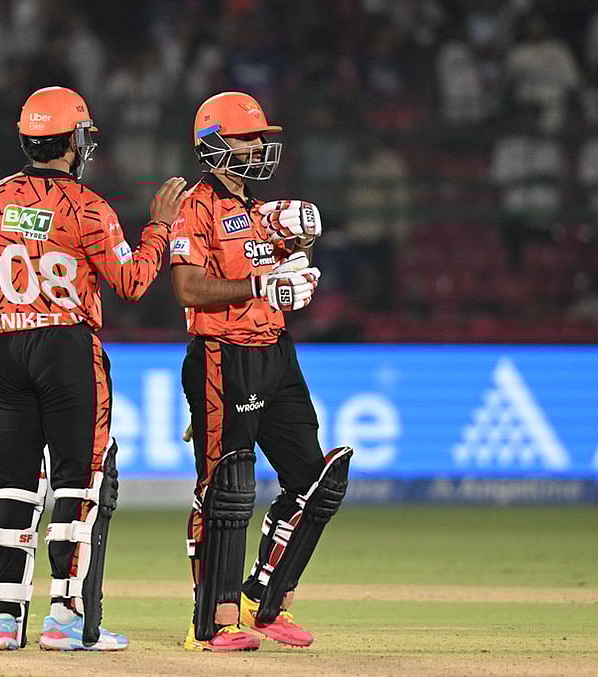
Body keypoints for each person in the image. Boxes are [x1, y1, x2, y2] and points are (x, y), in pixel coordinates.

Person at [0, 86, 187, 652]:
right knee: (78, 482)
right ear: (74, 141)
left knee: (8, 485)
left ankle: (0, 621)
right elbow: (132, 282)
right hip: (68, 351)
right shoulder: (89, 209)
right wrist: (159, 228)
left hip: (7, 350)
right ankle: (65, 619)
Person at [169, 91, 353, 652]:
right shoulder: (194, 207)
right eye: (250, 138)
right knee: (226, 490)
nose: (261, 146)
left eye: (261, 138)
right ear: (215, 144)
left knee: (317, 480)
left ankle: (266, 603)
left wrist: (295, 262)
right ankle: (214, 622)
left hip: (276, 352)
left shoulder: (256, 210)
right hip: (222, 356)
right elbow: (186, 286)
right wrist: (260, 284)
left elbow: (275, 270)